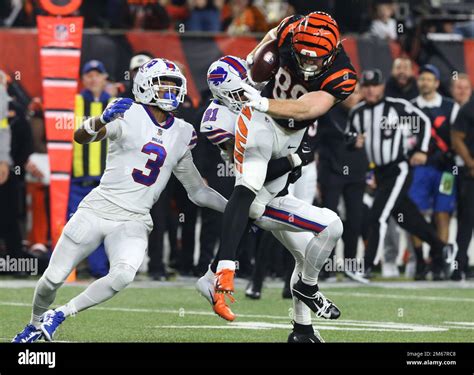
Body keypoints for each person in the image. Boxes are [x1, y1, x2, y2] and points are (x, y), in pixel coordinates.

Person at [12, 58, 228, 343]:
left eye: (174, 85)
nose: (170, 91)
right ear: (144, 86)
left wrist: (235, 209)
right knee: (52, 279)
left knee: (123, 275)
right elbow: (81, 137)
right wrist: (101, 119)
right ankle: (34, 323)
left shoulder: (183, 132)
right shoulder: (129, 113)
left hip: (135, 219)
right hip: (98, 207)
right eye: (163, 84)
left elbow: (197, 191)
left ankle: (60, 314)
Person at [207, 11, 355, 322]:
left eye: (317, 59)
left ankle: (303, 321)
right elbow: (271, 38)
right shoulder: (290, 30)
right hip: (261, 125)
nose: (309, 64)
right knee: (251, 191)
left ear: (335, 49)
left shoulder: (342, 75)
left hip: (290, 128)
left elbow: (306, 108)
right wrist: (254, 70)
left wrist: (261, 100)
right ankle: (223, 270)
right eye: (303, 56)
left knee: (319, 240)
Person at [197, 55, 340, 342]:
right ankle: (305, 289)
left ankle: (302, 331)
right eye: (240, 88)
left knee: (304, 257)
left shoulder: (261, 103)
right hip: (262, 200)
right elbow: (257, 174)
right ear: (222, 93)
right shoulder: (222, 120)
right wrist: (294, 160)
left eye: (250, 84)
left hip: (278, 191)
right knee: (331, 226)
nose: (249, 90)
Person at [346, 69, 456, 282]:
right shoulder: (357, 112)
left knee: (376, 216)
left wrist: (422, 150)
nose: (369, 90)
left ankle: (367, 266)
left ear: (382, 87)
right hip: (379, 172)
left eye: (374, 86)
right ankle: (442, 248)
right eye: (365, 86)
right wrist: (353, 142)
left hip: (398, 169)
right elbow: (350, 137)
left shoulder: (396, 106)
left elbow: (423, 122)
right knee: (408, 218)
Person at [409, 64, 459, 280]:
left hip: (445, 170)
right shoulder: (409, 107)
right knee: (415, 213)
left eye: (429, 79)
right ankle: (420, 261)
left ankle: (438, 261)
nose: (425, 83)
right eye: (422, 79)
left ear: (437, 83)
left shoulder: (451, 107)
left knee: (443, 213)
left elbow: (457, 138)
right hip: (419, 169)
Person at [70, 60, 113, 278]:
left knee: (105, 228)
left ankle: (102, 272)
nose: (93, 78)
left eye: (98, 74)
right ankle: (65, 271)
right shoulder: (72, 102)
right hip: (77, 180)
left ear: (105, 78)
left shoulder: (116, 105)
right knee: (72, 227)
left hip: (108, 182)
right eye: (89, 75)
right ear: (83, 79)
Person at [451, 97, 474, 280]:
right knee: (466, 221)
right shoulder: (468, 108)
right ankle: (459, 265)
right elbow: (456, 137)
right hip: (470, 176)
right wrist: (471, 164)